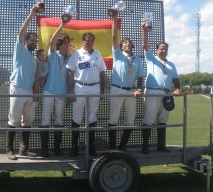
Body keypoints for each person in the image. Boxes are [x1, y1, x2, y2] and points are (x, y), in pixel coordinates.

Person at [6, 4, 42, 160]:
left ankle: (23, 150)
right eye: (31, 40)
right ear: (26, 41)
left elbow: (35, 80)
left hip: (29, 92)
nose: (34, 42)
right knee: (13, 120)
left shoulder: (34, 60)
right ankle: (9, 150)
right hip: (18, 88)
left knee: (27, 122)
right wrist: (32, 14)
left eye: (36, 41)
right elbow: (21, 32)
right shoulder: (20, 50)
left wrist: (35, 94)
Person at [142, 21, 181, 154]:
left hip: (167, 94)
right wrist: (145, 31)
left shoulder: (171, 64)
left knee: (163, 120)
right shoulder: (151, 58)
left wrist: (178, 89)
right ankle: (145, 146)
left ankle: (161, 145)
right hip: (152, 92)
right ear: (157, 49)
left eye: (165, 49)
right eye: (161, 48)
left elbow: (176, 78)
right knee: (149, 119)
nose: (163, 51)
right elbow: (145, 45)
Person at [108, 13, 145, 152]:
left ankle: (122, 146)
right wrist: (114, 19)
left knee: (130, 120)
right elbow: (113, 37)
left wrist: (139, 90)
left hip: (131, 91)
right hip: (117, 89)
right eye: (125, 43)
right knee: (114, 119)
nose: (128, 44)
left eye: (129, 43)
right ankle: (113, 148)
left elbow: (141, 77)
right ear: (121, 46)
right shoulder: (117, 54)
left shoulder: (137, 60)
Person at [66, 32, 106, 157]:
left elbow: (102, 72)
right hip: (80, 88)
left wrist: (102, 89)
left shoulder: (97, 54)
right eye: (87, 41)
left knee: (92, 117)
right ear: (82, 41)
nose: (89, 43)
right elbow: (70, 73)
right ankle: (74, 146)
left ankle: (90, 146)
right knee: (77, 117)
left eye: (91, 41)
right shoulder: (77, 54)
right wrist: (70, 91)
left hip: (95, 88)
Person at [40, 21, 71, 157]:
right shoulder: (52, 54)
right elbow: (52, 40)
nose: (67, 45)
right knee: (45, 120)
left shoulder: (70, 59)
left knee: (59, 120)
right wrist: (62, 24)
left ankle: (57, 148)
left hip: (62, 93)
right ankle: (44, 149)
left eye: (68, 43)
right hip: (48, 91)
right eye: (65, 43)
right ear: (59, 44)